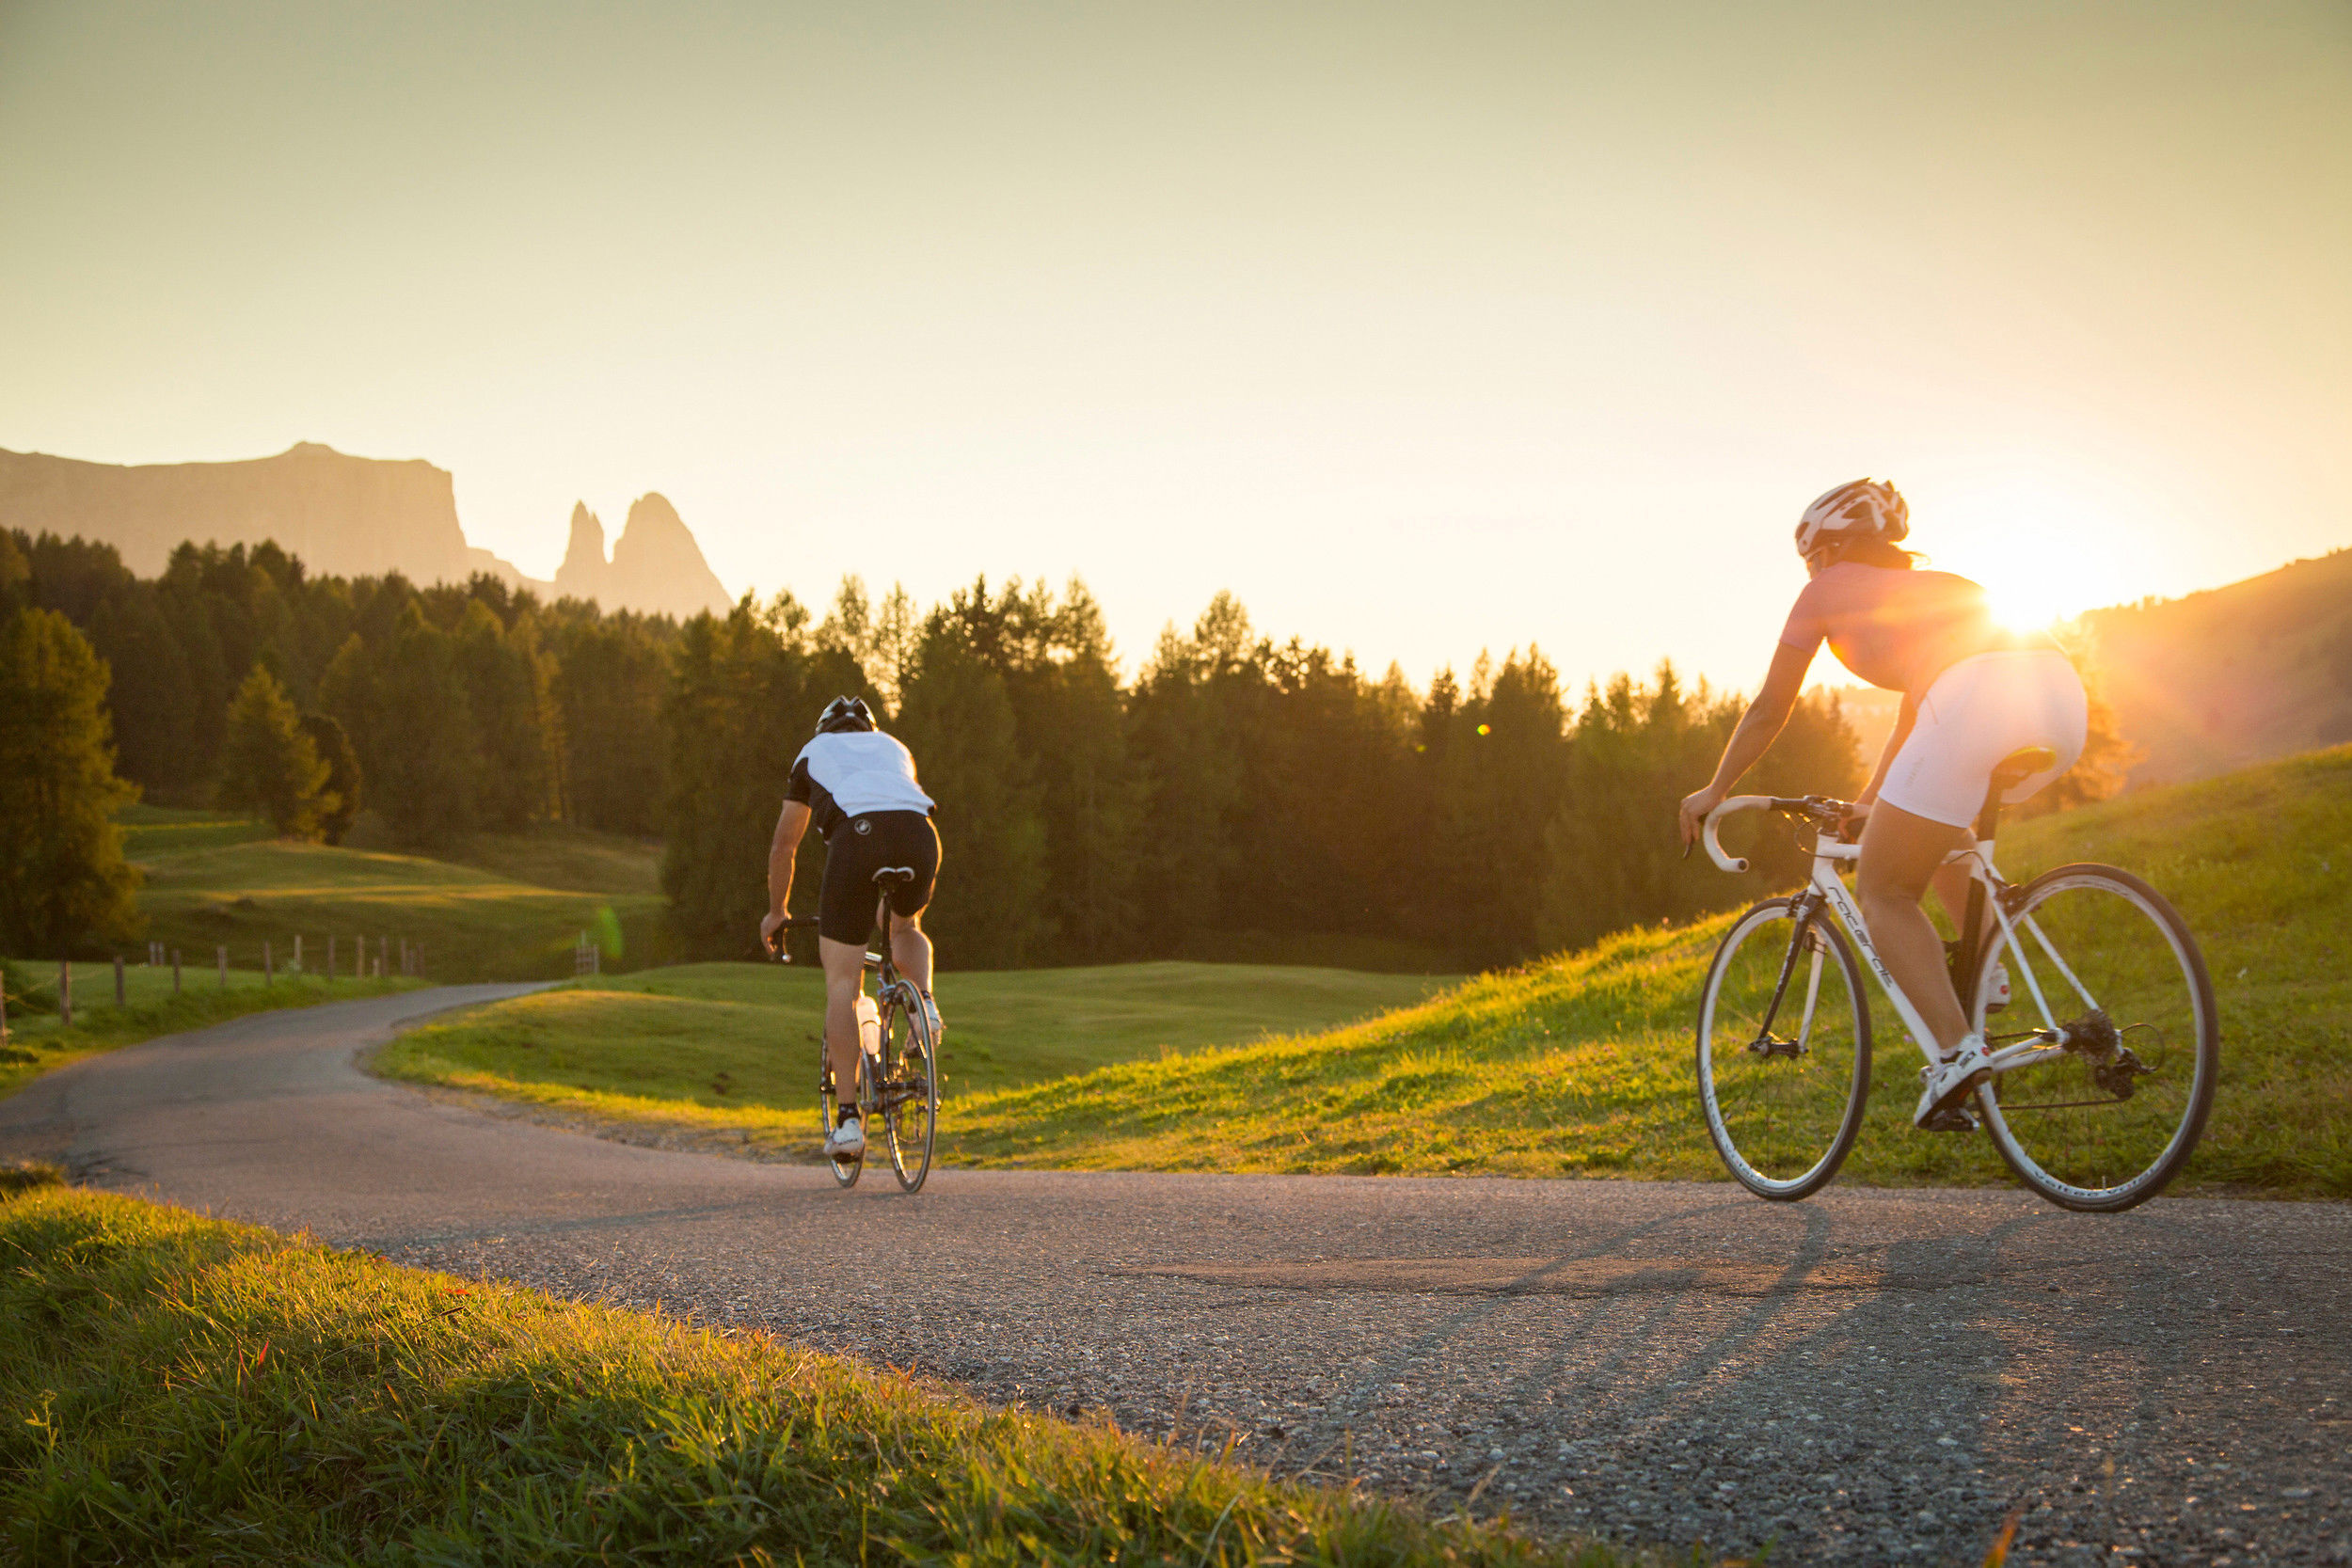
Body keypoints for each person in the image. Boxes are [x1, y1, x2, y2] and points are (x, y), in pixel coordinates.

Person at [1675, 479, 2088, 1129]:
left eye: (1811, 556)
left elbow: (1769, 708)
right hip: (2059, 696)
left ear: (1833, 548)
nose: (1810, 571)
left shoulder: (1826, 590)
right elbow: (1912, 723)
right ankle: (1989, 972)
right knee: (1941, 834)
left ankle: (1957, 1053)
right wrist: (1870, 802)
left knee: (1885, 891)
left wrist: (1715, 788)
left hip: (1974, 695)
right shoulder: (1930, 592)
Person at [759, 695, 942, 1161]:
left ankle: (847, 1122)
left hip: (857, 839)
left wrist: (777, 910)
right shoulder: (896, 747)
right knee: (904, 927)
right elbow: (894, 808)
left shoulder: (811, 753)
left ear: (825, 730)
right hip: (921, 835)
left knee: (843, 980)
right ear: (869, 729)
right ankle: (926, 1006)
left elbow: (785, 845)